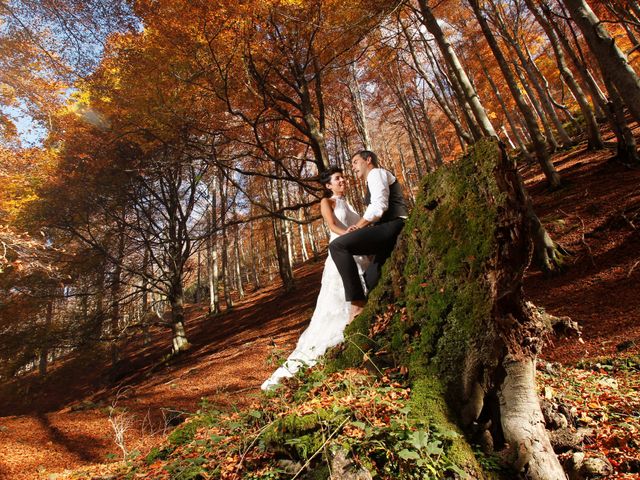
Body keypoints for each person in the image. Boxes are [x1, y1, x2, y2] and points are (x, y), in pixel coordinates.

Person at [261, 167, 369, 390]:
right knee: (336, 300)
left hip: (356, 250)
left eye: (343, 177)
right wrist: (349, 235)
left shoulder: (349, 203)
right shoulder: (326, 202)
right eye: (337, 178)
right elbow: (332, 225)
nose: (342, 180)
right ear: (328, 185)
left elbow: (359, 223)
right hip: (340, 251)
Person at [329, 150, 408, 321]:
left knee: (337, 246)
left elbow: (379, 206)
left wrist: (358, 227)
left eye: (355, 162)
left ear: (368, 160)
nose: (353, 167)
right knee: (370, 278)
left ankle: (356, 304)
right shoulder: (371, 179)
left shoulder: (376, 173)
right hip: (386, 228)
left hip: (394, 224)